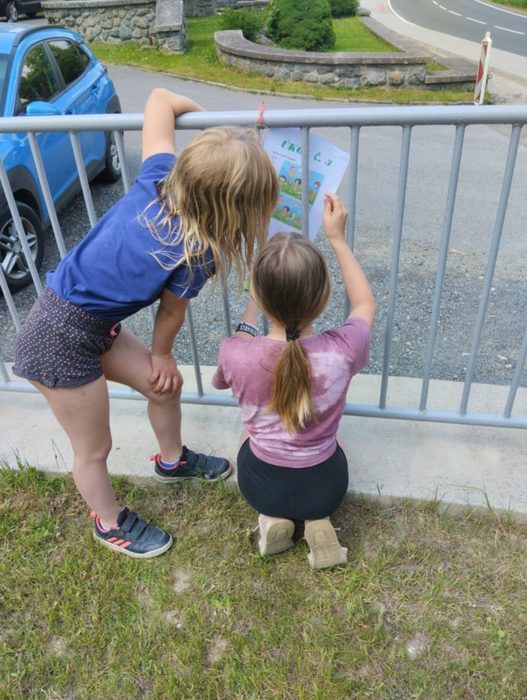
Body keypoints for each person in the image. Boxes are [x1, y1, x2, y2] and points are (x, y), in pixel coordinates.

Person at [13, 88, 279, 559]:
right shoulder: (198, 250)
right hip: (57, 339)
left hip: (87, 326)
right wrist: (161, 355)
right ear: (236, 209)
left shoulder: (159, 177)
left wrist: (218, 130)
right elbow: (171, 313)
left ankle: (171, 462)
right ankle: (109, 522)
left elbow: (158, 99)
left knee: (164, 388)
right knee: (94, 448)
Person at [212, 194, 376, 569]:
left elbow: (222, 379)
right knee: (336, 440)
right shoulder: (343, 350)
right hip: (328, 487)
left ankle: (273, 519)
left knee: (246, 433)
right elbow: (365, 304)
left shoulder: (235, 354)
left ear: (257, 294)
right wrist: (337, 239)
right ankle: (318, 521)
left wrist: (254, 303)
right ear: (323, 296)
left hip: (259, 487)